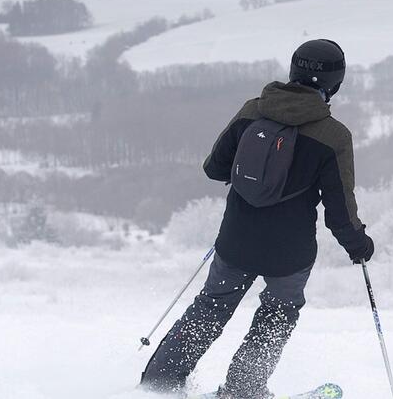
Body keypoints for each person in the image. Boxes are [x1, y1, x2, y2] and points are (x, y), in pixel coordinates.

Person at [140, 39, 374, 398]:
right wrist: (358, 245)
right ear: (336, 82)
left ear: (293, 70)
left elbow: (214, 168)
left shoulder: (252, 111)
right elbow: (339, 210)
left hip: (236, 239)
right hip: (290, 253)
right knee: (276, 317)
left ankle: (159, 385)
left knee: (211, 307)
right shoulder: (333, 136)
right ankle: (242, 390)